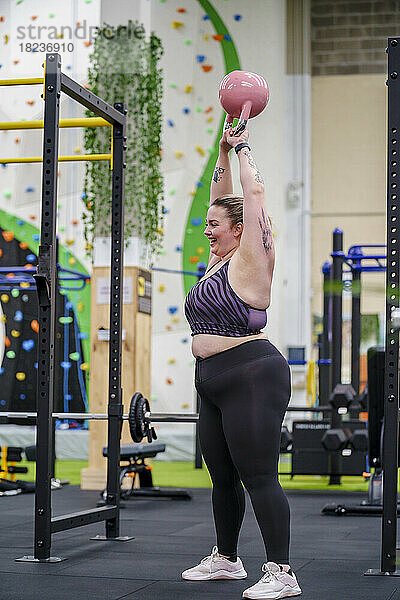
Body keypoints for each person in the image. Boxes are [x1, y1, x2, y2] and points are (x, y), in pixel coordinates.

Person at [182, 124, 302, 599]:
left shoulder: (252, 255)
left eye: (216, 224)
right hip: (212, 380)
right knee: (222, 476)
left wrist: (245, 147)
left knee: (259, 477)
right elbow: (224, 191)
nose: (207, 229)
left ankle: (282, 571)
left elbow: (251, 193)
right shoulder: (216, 261)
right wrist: (222, 151)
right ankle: (227, 559)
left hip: (252, 373)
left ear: (241, 229)